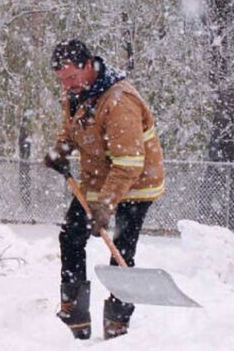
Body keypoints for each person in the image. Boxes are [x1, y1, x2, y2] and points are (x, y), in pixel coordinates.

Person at [44, 40, 165, 340]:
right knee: (71, 236)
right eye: (62, 79)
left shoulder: (118, 100)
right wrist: (62, 149)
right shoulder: (77, 94)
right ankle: (74, 314)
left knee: (122, 247)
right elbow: (74, 128)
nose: (68, 84)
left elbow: (128, 165)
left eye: (71, 77)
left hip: (136, 182)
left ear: (88, 65)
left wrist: (106, 207)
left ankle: (118, 321)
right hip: (99, 177)